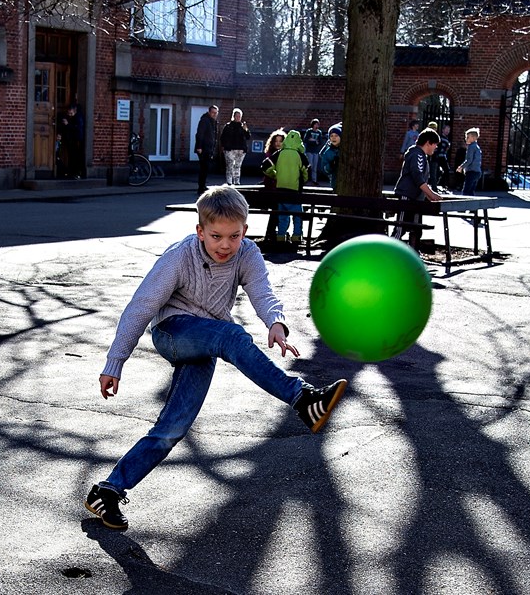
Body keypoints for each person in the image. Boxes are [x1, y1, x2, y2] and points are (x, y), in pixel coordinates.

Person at [84, 186, 348, 531]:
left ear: (245, 230)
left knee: (172, 428)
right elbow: (141, 308)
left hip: (207, 340)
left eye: (234, 236)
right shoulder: (179, 257)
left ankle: (108, 491)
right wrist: (114, 363)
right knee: (232, 334)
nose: (225, 245)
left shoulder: (247, 253)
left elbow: (262, 290)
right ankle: (302, 398)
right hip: (172, 332)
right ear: (200, 231)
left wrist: (276, 323)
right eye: (216, 236)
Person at [392, 127, 442, 248]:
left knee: (416, 227)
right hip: (407, 195)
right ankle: (388, 251)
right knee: (401, 227)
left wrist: (426, 195)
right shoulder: (417, 154)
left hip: (416, 198)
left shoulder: (421, 156)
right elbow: (417, 176)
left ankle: (413, 251)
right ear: (428, 142)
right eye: (435, 144)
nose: (436, 147)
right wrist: (431, 194)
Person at [261, 129, 309, 243]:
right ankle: (297, 236)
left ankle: (281, 236)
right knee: (297, 216)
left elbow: (265, 167)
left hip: (280, 190)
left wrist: (275, 175)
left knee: (282, 216)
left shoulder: (279, 153)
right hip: (294, 191)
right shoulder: (300, 155)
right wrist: (302, 180)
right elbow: (307, 172)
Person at [219, 108, 249, 186]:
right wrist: (223, 146)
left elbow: (248, 137)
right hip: (230, 149)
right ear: (233, 116)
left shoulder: (243, 126)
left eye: (239, 116)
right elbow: (223, 137)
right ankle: (229, 181)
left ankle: (237, 182)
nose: (238, 117)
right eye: (237, 116)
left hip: (241, 149)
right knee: (230, 165)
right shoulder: (228, 126)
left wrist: (246, 130)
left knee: (238, 166)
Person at [56, 102, 85, 179]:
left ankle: (76, 173)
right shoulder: (72, 117)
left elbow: (77, 128)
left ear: (75, 110)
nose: (69, 114)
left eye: (71, 112)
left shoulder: (78, 117)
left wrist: (68, 124)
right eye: (68, 112)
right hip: (72, 140)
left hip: (77, 139)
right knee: (72, 156)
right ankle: (72, 172)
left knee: (76, 157)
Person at [194, 105, 219, 193]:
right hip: (204, 148)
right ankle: (201, 187)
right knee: (203, 168)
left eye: (216, 113)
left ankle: (203, 186)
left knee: (205, 168)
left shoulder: (214, 121)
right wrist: (199, 147)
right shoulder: (205, 121)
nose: (214, 114)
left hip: (209, 148)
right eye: (213, 112)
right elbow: (199, 134)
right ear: (209, 112)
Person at [456, 127, 482, 196]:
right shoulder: (477, 147)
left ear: (473, 138)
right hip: (477, 171)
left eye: (467, 137)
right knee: (471, 190)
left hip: (471, 171)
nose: (466, 139)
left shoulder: (471, 147)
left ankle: (465, 205)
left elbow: (469, 160)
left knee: (466, 191)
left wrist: (461, 167)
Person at [319, 123, 342, 190]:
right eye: (331, 136)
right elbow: (324, 169)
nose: (334, 138)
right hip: (335, 183)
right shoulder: (328, 152)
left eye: (336, 135)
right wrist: (331, 165)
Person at [302, 119, 325, 186]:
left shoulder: (319, 132)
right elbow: (306, 140)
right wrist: (314, 141)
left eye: (318, 124)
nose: (316, 126)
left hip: (316, 151)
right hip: (309, 151)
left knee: (315, 166)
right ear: (313, 125)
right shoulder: (309, 131)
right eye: (315, 124)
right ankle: (305, 178)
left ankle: (314, 180)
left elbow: (320, 142)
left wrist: (312, 140)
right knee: (309, 165)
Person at [435, 124, 452, 188]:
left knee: (445, 170)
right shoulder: (440, 138)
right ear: (443, 130)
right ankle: (441, 184)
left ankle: (441, 183)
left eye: (449, 130)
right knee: (445, 170)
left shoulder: (446, 138)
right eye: (446, 129)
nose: (447, 131)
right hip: (440, 156)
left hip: (443, 156)